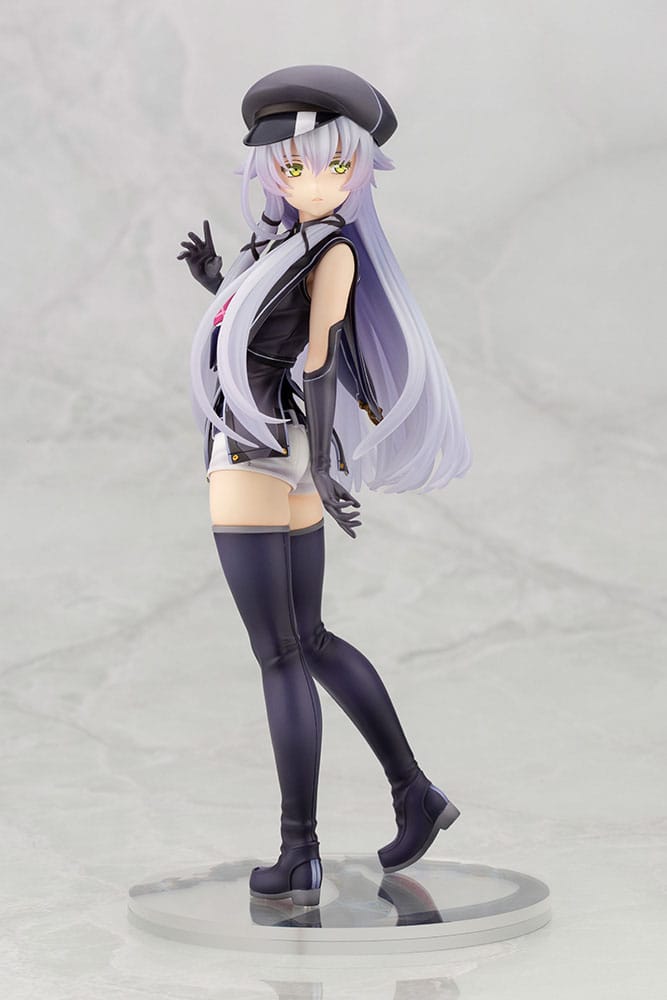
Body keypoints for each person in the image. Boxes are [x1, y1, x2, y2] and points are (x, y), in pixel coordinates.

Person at [179, 65, 471, 908]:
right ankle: (414, 792)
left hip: (256, 450)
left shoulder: (331, 249)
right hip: (283, 447)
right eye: (298, 166)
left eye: (338, 167)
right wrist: (217, 280)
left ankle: (298, 851)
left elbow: (319, 358)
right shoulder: (291, 244)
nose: (317, 182)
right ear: (270, 168)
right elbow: (261, 324)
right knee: (306, 639)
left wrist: (317, 465)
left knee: (279, 653)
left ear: (358, 172)